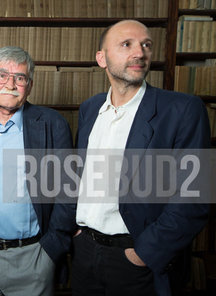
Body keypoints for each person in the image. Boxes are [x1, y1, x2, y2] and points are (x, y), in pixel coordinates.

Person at [72, 20, 211, 296]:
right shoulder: (90, 109)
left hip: (136, 260)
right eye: (127, 45)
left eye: (146, 44)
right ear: (102, 58)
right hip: (85, 253)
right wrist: (76, 235)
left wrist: (143, 254)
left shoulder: (182, 110)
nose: (140, 53)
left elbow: (194, 198)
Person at [0, 46, 76, 295]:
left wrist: (51, 250)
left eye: (20, 78)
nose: (10, 84)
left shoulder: (52, 124)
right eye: (1, 75)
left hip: (33, 256)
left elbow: (70, 192)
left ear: (29, 86)